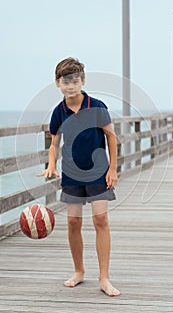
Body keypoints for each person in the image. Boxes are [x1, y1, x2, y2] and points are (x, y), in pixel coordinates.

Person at [38, 57, 120, 296]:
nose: (71, 85)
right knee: (74, 222)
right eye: (66, 81)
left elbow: (111, 139)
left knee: (100, 220)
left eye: (75, 81)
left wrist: (113, 169)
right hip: (72, 175)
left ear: (82, 81)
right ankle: (79, 271)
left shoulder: (97, 106)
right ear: (57, 84)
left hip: (98, 173)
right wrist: (51, 164)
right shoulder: (58, 112)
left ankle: (104, 278)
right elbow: (54, 143)